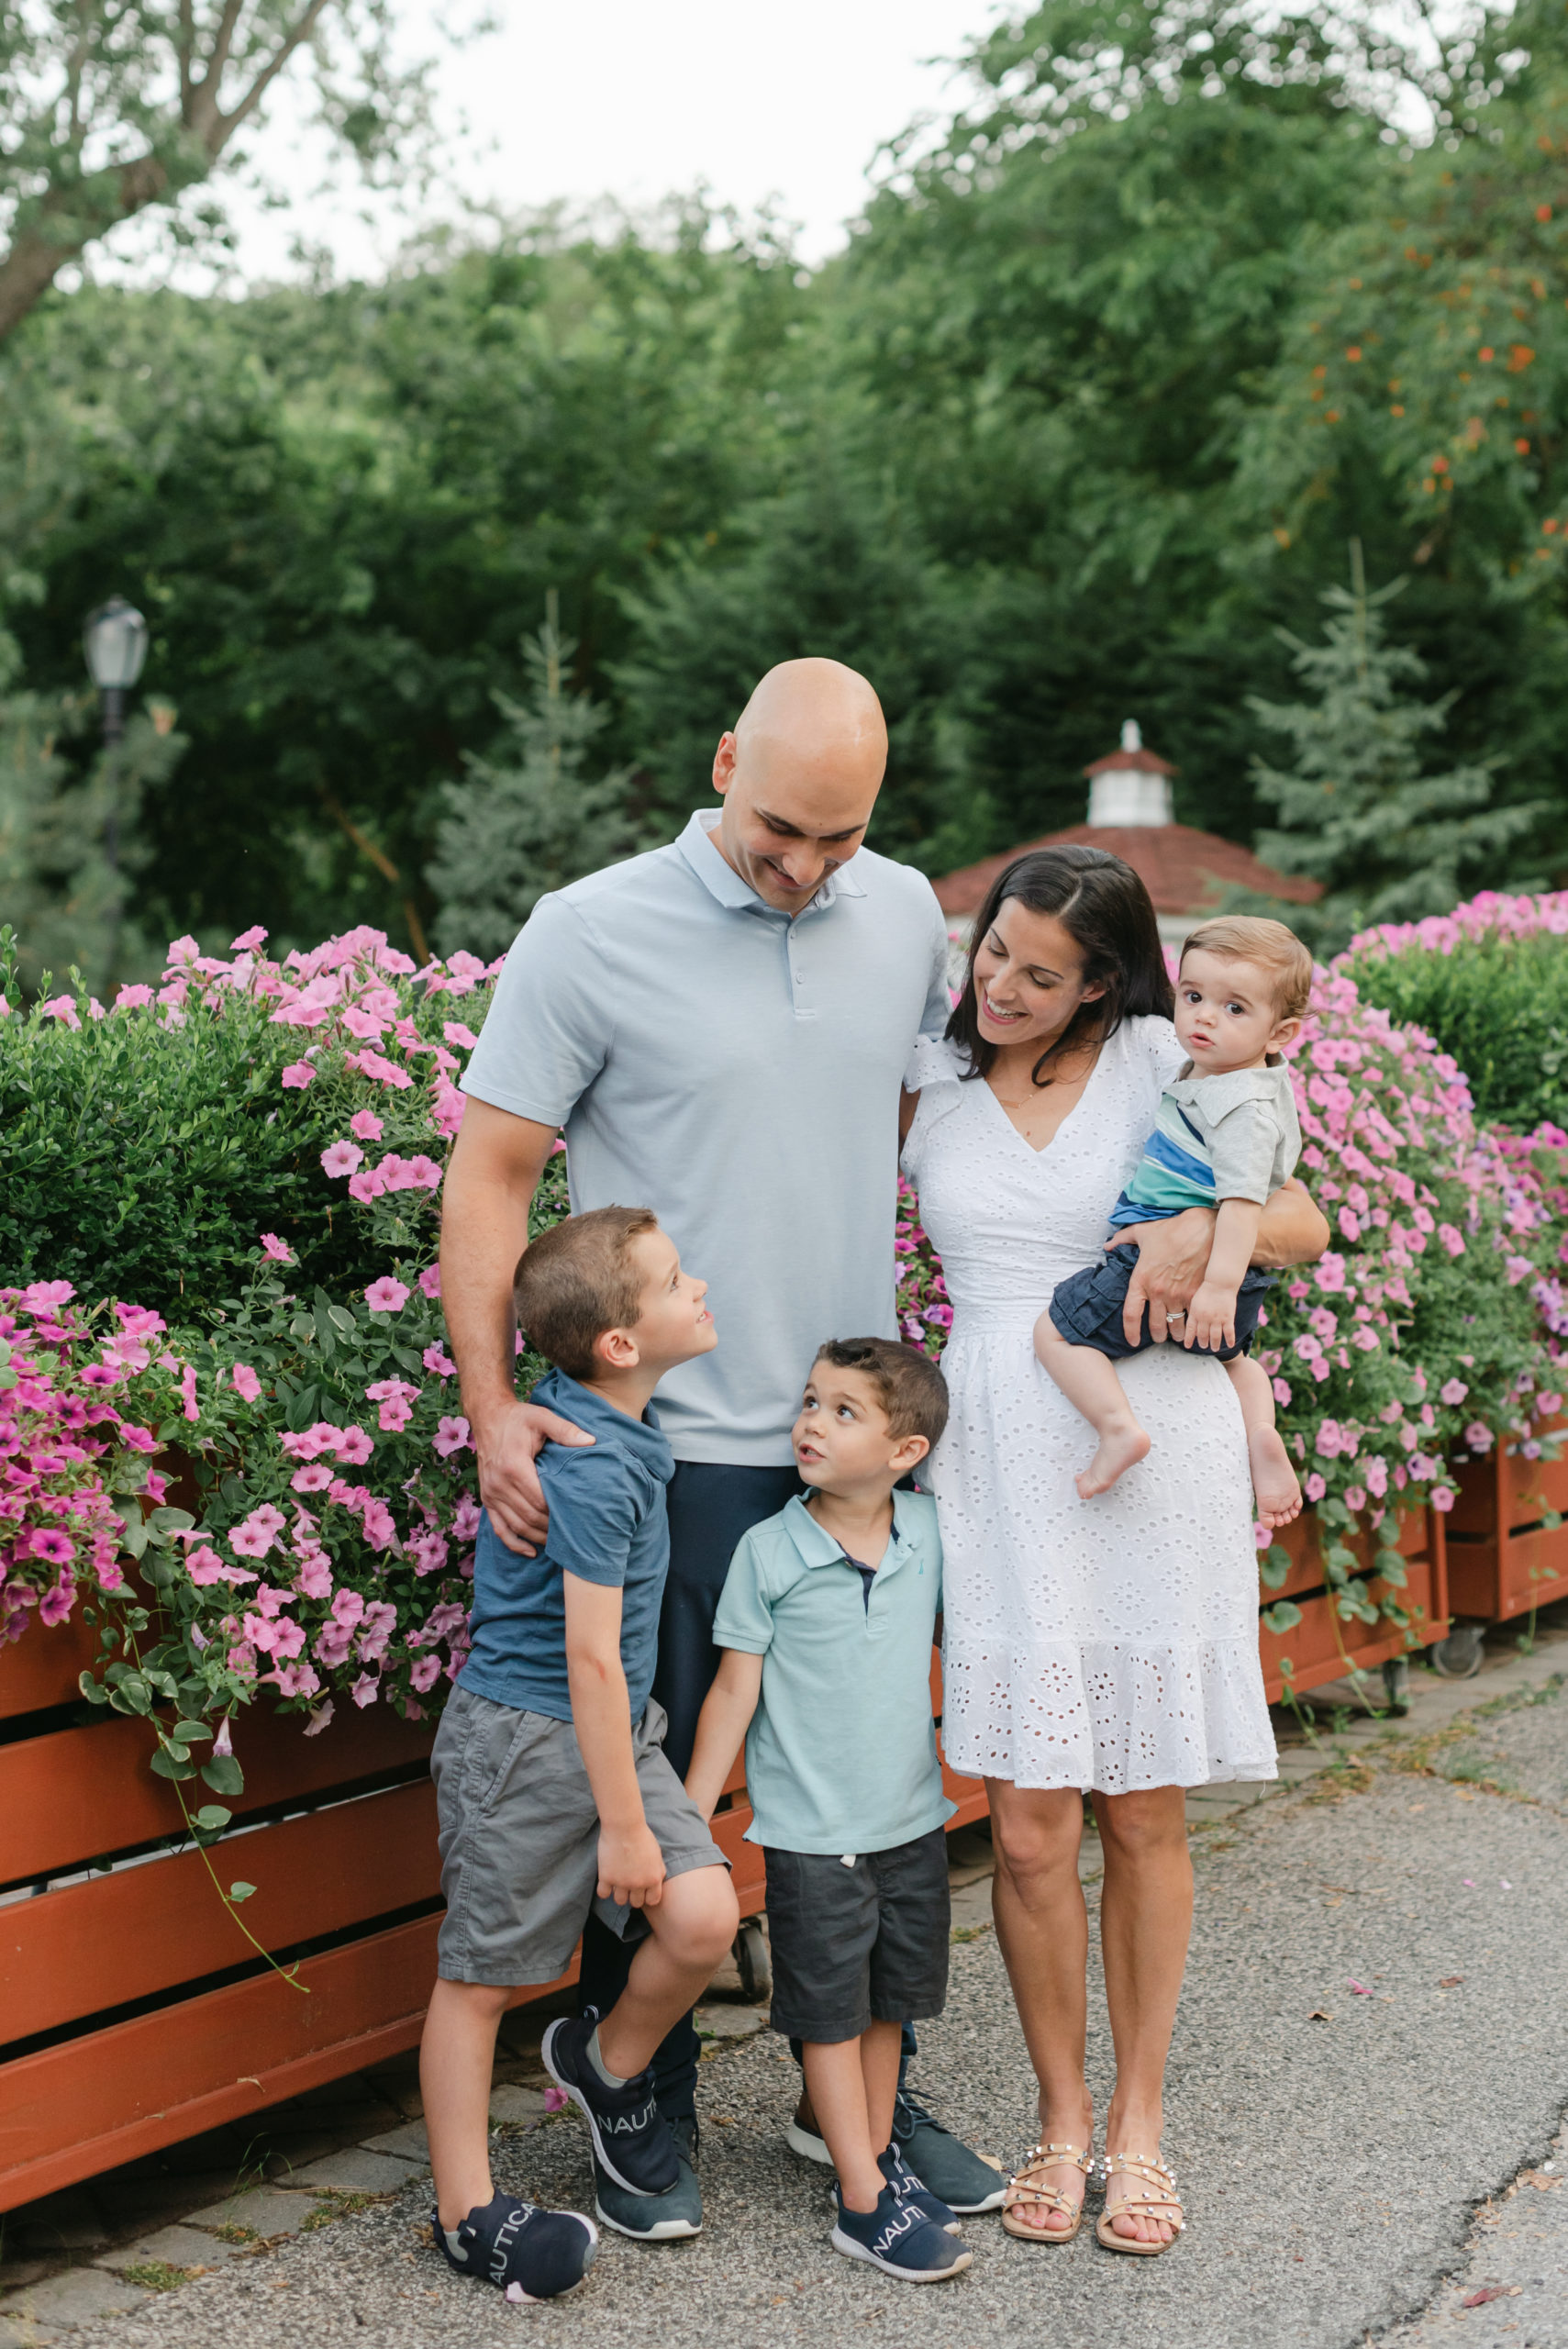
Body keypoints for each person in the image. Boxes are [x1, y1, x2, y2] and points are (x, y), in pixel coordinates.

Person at [442, 656, 1021, 2233]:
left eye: (839, 839)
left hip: (848, 1444)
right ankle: (639, 2085)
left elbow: (946, 1116)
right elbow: (491, 1176)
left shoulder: (903, 911)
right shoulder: (588, 930)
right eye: (779, 830)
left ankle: (864, 2104)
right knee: (670, 1796)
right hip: (665, 1454)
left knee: (863, 1793)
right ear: (717, 765)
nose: (806, 868)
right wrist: (496, 1407)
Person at [899, 844, 1329, 2256]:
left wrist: (1201, 1230)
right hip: (994, 1454)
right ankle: (1060, 2119)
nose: (1003, 987)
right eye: (994, 957)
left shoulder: (1168, 1050)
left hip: (1150, 1434)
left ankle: (1139, 2126)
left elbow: (1305, 1224)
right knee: (1025, 1826)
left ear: (1102, 980)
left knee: (1141, 1808)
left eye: (1041, 971)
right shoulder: (932, 1076)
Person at [420, 1208, 738, 2291]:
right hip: (525, 1738)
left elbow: (608, 1684)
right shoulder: (594, 1467)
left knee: (701, 1917)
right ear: (618, 1344)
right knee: (479, 1978)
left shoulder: (608, 1424)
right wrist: (624, 1822)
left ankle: (604, 2066)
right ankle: (466, 2211)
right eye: (672, 1281)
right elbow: (591, 1660)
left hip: (610, 1730)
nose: (697, 1288)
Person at [685, 1338, 971, 2284]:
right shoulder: (769, 1549)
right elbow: (732, 1692)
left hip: (910, 1823)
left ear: (904, 1452)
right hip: (812, 1839)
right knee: (831, 2016)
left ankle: (876, 2155)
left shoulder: (929, 1533)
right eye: (810, 1401)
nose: (809, 1420)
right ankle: (859, 2198)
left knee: (891, 2005)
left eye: (842, 1410)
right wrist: (690, 1819)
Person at [1036, 914, 1310, 1527]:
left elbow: (1242, 1204)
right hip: (1233, 1281)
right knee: (1234, 1360)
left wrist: (1214, 1284)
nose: (1204, 1018)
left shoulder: (1239, 1107)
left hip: (1167, 1265)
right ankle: (1260, 1431)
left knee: (1053, 1335)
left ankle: (1115, 1430)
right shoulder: (1235, 1077)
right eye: (1192, 997)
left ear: (1281, 1031)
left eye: (1233, 1008)